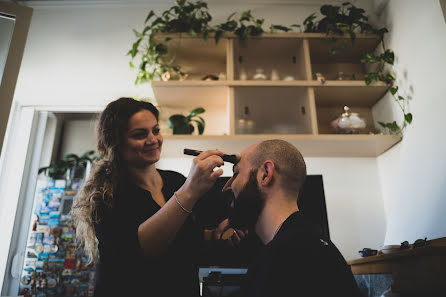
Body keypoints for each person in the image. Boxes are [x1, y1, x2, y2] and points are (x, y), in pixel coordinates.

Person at [72, 97, 226, 297]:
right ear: (115, 142)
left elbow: (186, 245)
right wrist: (190, 192)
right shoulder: (104, 196)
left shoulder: (175, 181)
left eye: (155, 130)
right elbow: (142, 251)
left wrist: (216, 236)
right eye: (139, 134)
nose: (153, 140)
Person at [222, 139, 362, 297]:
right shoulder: (305, 244)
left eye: (236, 174)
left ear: (266, 174)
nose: (226, 187)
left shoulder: (284, 259)